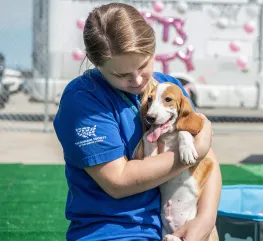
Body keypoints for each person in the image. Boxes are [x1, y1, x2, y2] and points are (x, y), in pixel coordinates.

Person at [53, 2, 222, 241]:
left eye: (144, 65)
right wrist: (198, 149)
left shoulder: (167, 85)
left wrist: (205, 219)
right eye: (121, 74)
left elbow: (208, 165)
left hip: (181, 222)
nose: (137, 81)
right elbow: (118, 181)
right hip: (114, 230)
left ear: (153, 49)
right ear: (95, 60)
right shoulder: (83, 99)